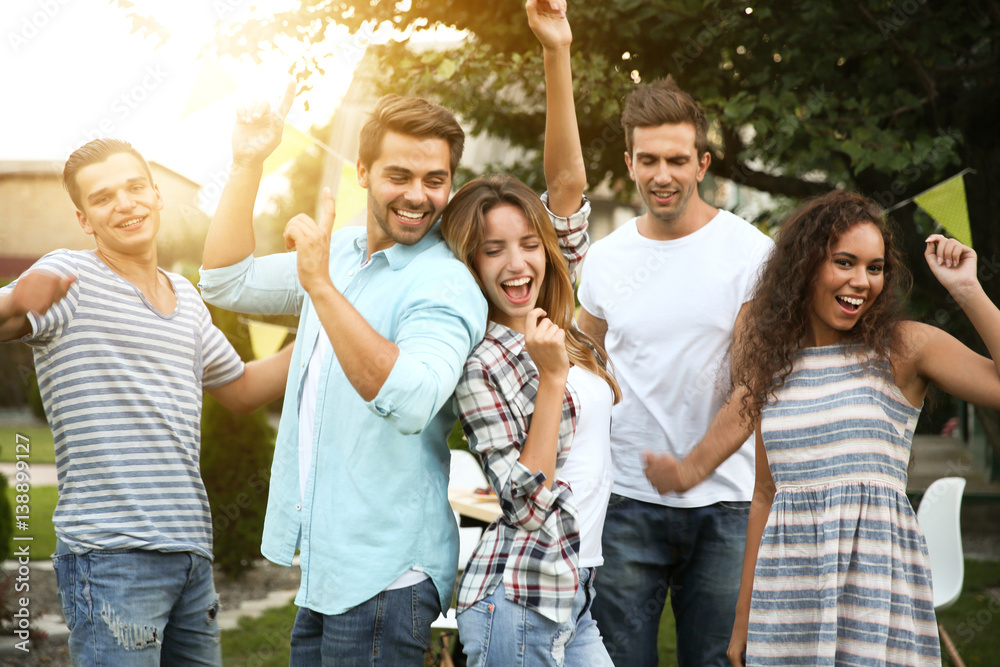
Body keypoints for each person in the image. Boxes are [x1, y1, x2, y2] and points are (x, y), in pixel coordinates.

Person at [196, 77, 488, 663]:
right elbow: (224, 280)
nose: (418, 195)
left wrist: (320, 288)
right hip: (330, 569)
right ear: (362, 172)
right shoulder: (340, 251)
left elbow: (409, 400)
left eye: (435, 180)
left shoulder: (445, 283)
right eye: (399, 176)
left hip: (389, 576)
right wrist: (249, 162)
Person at [0, 138, 293, 665]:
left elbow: (244, 390)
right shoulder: (72, 276)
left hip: (190, 555)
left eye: (135, 187)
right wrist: (13, 300)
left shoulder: (186, 300)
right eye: (104, 197)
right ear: (85, 219)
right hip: (111, 558)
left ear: (157, 195)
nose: (126, 204)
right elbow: (10, 316)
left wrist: (320, 323)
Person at [726, 190, 999, 666]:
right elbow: (764, 496)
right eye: (845, 263)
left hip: (878, 602)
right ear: (806, 266)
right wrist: (743, 619)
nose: (861, 281)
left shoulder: (902, 348)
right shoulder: (773, 366)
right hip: (788, 602)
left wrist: (967, 290)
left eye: (874, 268)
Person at [440, 2, 619, 664]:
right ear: (470, 261)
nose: (517, 263)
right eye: (493, 250)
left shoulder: (557, 322)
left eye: (527, 244)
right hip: (516, 596)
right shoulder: (481, 357)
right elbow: (516, 498)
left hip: (575, 587)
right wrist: (549, 380)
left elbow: (567, 184)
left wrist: (556, 50)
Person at [576, 78, 773, 664]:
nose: (663, 175)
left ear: (703, 163)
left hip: (726, 505)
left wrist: (690, 469)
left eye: (678, 160)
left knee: (715, 660)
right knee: (617, 659)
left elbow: (753, 385)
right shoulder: (606, 258)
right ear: (630, 162)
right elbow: (586, 371)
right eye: (650, 160)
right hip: (625, 501)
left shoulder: (751, 253)